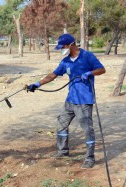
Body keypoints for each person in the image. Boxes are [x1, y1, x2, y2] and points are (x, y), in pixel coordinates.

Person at [27, 34, 106, 169]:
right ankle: (63, 151)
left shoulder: (87, 56)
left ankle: (89, 158)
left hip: (84, 101)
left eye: (62, 46)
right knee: (61, 123)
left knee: (87, 129)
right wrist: (37, 84)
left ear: (71, 44)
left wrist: (90, 73)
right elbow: (53, 75)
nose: (61, 49)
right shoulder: (66, 61)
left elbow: (102, 69)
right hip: (70, 99)